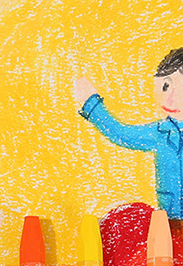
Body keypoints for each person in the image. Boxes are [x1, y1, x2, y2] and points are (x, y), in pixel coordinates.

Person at [75, 48, 183, 218]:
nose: (169, 99)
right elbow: (121, 133)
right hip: (169, 219)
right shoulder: (161, 133)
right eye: (165, 86)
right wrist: (91, 103)